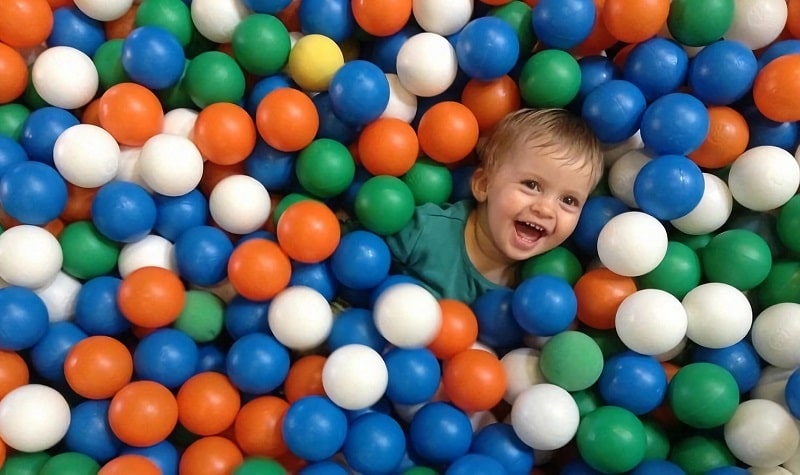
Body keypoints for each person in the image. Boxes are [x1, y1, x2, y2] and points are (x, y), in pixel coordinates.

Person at [384, 107, 605, 304]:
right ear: (483, 185)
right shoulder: (426, 231)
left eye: (568, 200)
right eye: (531, 185)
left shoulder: (545, 286)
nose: (545, 209)